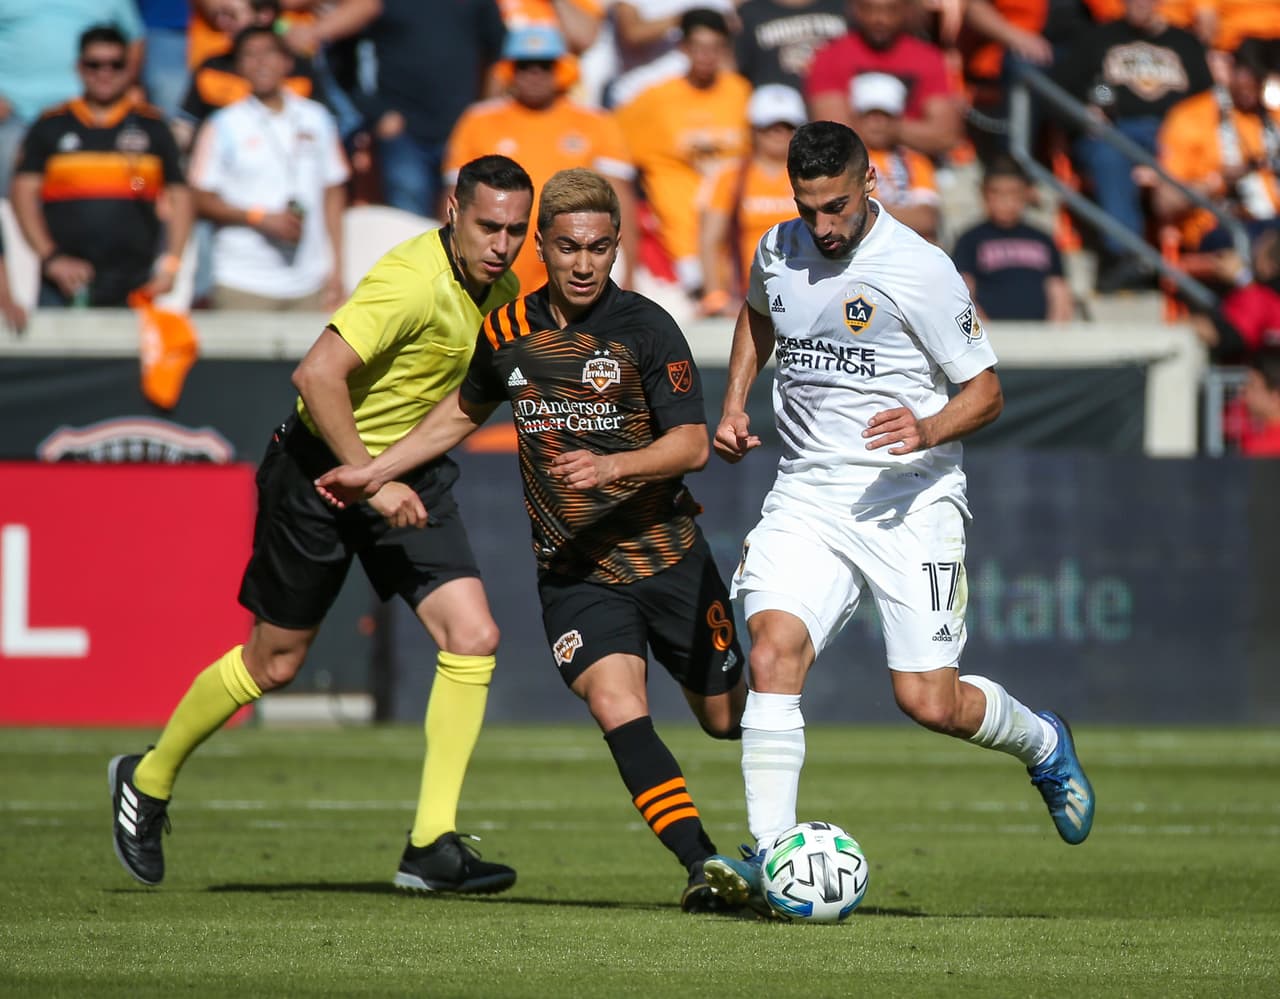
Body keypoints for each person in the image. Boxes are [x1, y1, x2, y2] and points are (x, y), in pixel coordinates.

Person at [315, 168, 749, 913]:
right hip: (575, 569)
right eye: (568, 246)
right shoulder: (507, 329)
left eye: (600, 248)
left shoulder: (647, 328)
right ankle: (702, 863)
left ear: (617, 248)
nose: (584, 263)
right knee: (616, 702)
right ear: (541, 245)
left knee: (726, 719)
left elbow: (691, 446)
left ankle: (769, 810)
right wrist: (374, 468)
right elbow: (459, 413)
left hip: (670, 556)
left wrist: (613, 463)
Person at [108, 154, 535, 895]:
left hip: (400, 474)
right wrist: (372, 481)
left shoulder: (504, 292)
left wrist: (398, 468)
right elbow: (315, 375)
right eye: (488, 225)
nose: (501, 243)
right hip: (319, 472)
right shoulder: (411, 281)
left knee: (474, 635)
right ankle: (146, 777)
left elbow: (465, 398)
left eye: (515, 229)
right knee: (274, 663)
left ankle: (431, 843)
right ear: (453, 212)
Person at [701, 121, 1096, 913]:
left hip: (908, 500)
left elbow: (985, 392)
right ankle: (775, 857)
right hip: (808, 493)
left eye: (837, 206)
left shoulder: (921, 269)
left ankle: (1042, 740)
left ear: (871, 181)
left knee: (930, 701)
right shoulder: (777, 249)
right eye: (808, 207)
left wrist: (926, 426)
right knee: (773, 654)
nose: (823, 225)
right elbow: (757, 313)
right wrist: (737, 400)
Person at [443, 23, 638, 295]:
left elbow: (621, 200)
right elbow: (454, 200)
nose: (534, 73)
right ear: (511, 70)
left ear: (559, 69)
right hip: (496, 268)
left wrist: (630, 273)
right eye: (525, 65)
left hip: (573, 270)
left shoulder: (596, 122)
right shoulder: (478, 121)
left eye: (544, 65)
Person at [9, 25, 192, 308]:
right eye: (94, 64)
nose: (104, 73)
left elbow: (180, 197)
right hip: (64, 285)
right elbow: (23, 194)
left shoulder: (153, 127)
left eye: (115, 64)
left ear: (129, 69)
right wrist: (51, 257)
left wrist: (171, 265)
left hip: (136, 284)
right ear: (79, 68)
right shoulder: (51, 125)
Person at [1054, 0, 1213, 293]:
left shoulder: (1184, 42)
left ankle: (1205, 244)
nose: (1138, 4)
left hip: (1174, 132)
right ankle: (1127, 254)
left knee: (1200, 158)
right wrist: (1084, 112)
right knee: (1108, 156)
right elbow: (1060, 89)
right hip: (1115, 130)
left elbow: (1207, 99)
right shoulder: (1099, 37)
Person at [188, 25, 349, 311]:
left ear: (287, 62)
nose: (260, 62)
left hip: (309, 282)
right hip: (242, 281)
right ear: (238, 67)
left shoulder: (318, 118)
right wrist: (259, 218)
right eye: (249, 55)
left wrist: (336, 271)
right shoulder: (222, 125)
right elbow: (199, 199)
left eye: (269, 53)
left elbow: (333, 193)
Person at [614, 8, 750, 301]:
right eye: (698, 47)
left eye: (715, 47)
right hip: (674, 252)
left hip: (733, 249)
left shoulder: (742, 95)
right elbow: (610, 159)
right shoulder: (654, 100)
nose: (706, 56)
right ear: (684, 48)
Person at [697, 83, 807, 317]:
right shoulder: (729, 177)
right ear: (754, 129)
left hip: (805, 295)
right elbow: (710, 241)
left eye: (787, 127)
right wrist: (716, 297)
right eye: (770, 127)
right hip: (744, 299)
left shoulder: (810, 176)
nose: (779, 134)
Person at [804, 0, 964, 158]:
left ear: (906, 10)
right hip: (851, 167)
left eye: (891, 10)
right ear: (855, 8)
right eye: (869, 9)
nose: (880, 19)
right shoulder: (830, 56)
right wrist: (912, 131)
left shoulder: (929, 58)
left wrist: (894, 129)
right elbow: (831, 131)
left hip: (916, 171)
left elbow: (947, 135)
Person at [952, 154, 1074, 322]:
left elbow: (1058, 290)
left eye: (1013, 193)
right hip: (992, 335)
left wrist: (1053, 335)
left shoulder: (1043, 239)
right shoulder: (970, 240)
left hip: (1040, 335)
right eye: (997, 193)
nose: (1005, 201)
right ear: (984, 194)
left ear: (1027, 193)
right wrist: (985, 335)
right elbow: (964, 293)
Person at [850, 72, 940, 243]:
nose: (877, 123)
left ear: (898, 120)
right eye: (870, 115)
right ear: (857, 119)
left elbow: (926, 219)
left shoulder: (916, 162)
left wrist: (869, 210)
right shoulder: (845, 162)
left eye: (886, 116)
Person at [733, 0, 847, 92]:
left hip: (837, 100)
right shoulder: (750, 12)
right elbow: (739, 68)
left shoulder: (843, 5)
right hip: (777, 107)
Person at [1236, 348, 1280, 456]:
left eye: (1252, 386)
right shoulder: (1255, 440)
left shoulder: (1261, 448)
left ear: (1275, 395)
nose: (1242, 392)